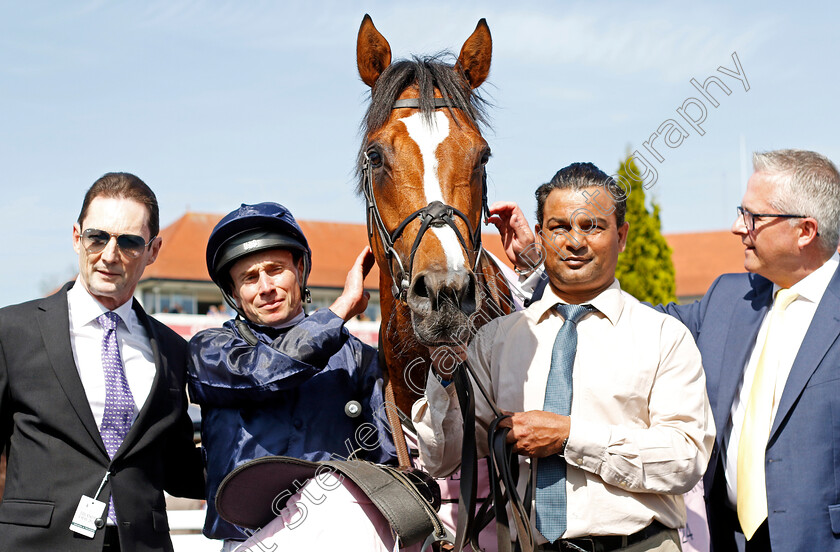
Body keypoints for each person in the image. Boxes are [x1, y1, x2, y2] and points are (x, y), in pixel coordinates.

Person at [412, 162, 714, 551]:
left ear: (621, 236)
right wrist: (443, 375)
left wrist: (569, 437)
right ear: (541, 236)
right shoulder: (494, 341)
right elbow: (442, 459)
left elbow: (685, 459)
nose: (574, 242)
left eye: (592, 226)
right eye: (559, 228)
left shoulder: (664, 338)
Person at [0, 173, 204, 552]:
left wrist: (269, 458)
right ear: (77, 237)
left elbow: (178, 469)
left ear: (152, 250)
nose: (109, 254)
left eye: (128, 242)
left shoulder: (173, 350)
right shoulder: (12, 330)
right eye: (98, 237)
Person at [655, 149, 840, 551]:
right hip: (727, 539)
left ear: (805, 230)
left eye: (753, 217)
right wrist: (541, 266)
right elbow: (634, 322)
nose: (737, 227)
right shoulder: (727, 296)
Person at [187, 202, 396, 551]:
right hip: (247, 541)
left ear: (300, 269)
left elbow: (387, 456)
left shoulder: (359, 358)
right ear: (234, 292)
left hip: (341, 538)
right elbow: (265, 372)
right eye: (249, 278)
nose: (265, 286)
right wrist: (341, 308)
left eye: (275, 270)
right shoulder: (209, 350)